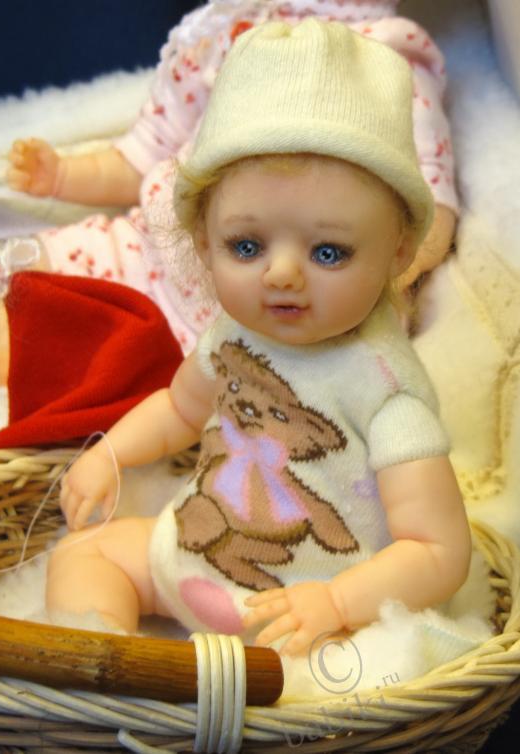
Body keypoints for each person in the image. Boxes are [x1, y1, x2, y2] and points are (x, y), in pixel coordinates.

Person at [45, 18, 471, 657]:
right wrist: (109, 455)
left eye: (328, 252)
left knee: (346, 677)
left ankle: (194, 682)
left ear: (399, 251)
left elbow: (438, 551)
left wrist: (336, 603)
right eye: (246, 246)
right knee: (85, 556)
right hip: (193, 563)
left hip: (305, 619)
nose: (281, 275)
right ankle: (116, 671)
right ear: (203, 242)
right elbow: (179, 410)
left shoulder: (384, 393)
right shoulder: (232, 335)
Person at [0, 0, 457, 385]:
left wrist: (375, 284)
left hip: (257, 306)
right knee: (21, 273)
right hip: (152, 245)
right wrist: (61, 177)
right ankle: (5, 341)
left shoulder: (384, 64)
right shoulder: (228, 30)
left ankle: (30, 370)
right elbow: (145, 153)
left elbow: (431, 207)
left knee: (148, 368)